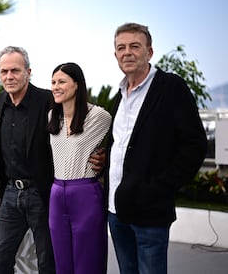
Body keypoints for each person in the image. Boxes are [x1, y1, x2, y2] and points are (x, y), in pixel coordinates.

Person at [106, 22, 208, 274]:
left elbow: (194, 146)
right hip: (115, 211)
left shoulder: (171, 88)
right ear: (115, 54)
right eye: (121, 47)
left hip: (150, 213)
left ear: (149, 52)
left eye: (134, 46)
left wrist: (158, 190)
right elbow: (120, 144)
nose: (127, 52)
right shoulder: (120, 95)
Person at [0, 46, 56, 273]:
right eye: (4, 71)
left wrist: (98, 152)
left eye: (15, 71)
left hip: (40, 192)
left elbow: (77, 120)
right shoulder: (1, 100)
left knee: (48, 261)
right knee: (0, 260)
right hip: (10, 193)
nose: (9, 77)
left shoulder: (47, 99)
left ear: (28, 72)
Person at [48, 62, 111, 274]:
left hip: (85, 194)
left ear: (77, 85)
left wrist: (105, 158)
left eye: (62, 82)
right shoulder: (52, 118)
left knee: (89, 261)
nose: (56, 86)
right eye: (53, 82)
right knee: (62, 262)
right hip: (56, 194)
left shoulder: (100, 116)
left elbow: (121, 144)